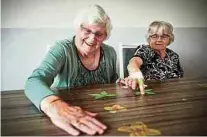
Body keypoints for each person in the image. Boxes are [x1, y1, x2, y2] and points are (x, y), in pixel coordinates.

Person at [25, 4, 117, 136]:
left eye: (99, 34)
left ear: (105, 35)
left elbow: (113, 84)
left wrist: (122, 81)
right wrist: (55, 105)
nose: (92, 38)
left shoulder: (110, 52)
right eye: (87, 30)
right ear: (78, 28)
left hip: (102, 117)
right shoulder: (62, 49)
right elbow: (34, 80)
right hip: (65, 117)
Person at [120, 21, 184, 94]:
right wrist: (135, 72)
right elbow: (134, 61)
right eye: (155, 36)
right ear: (149, 38)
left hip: (171, 93)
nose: (159, 40)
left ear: (169, 38)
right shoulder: (145, 50)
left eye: (164, 36)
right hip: (148, 93)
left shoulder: (173, 55)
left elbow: (180, 78)